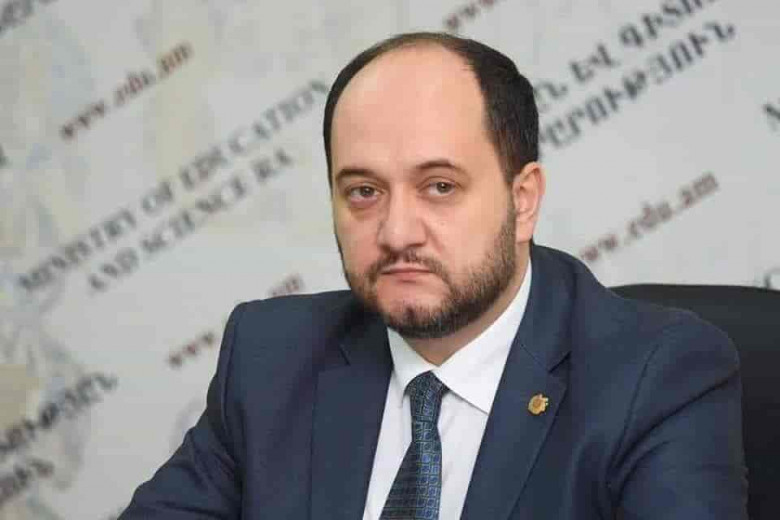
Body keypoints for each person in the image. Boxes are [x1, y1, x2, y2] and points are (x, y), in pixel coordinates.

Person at [119, 32, 747, 519]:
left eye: (439, 186)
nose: (397, 233)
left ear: (523, 199)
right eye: (363, 192)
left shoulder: (657, 376)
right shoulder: (270, 358)